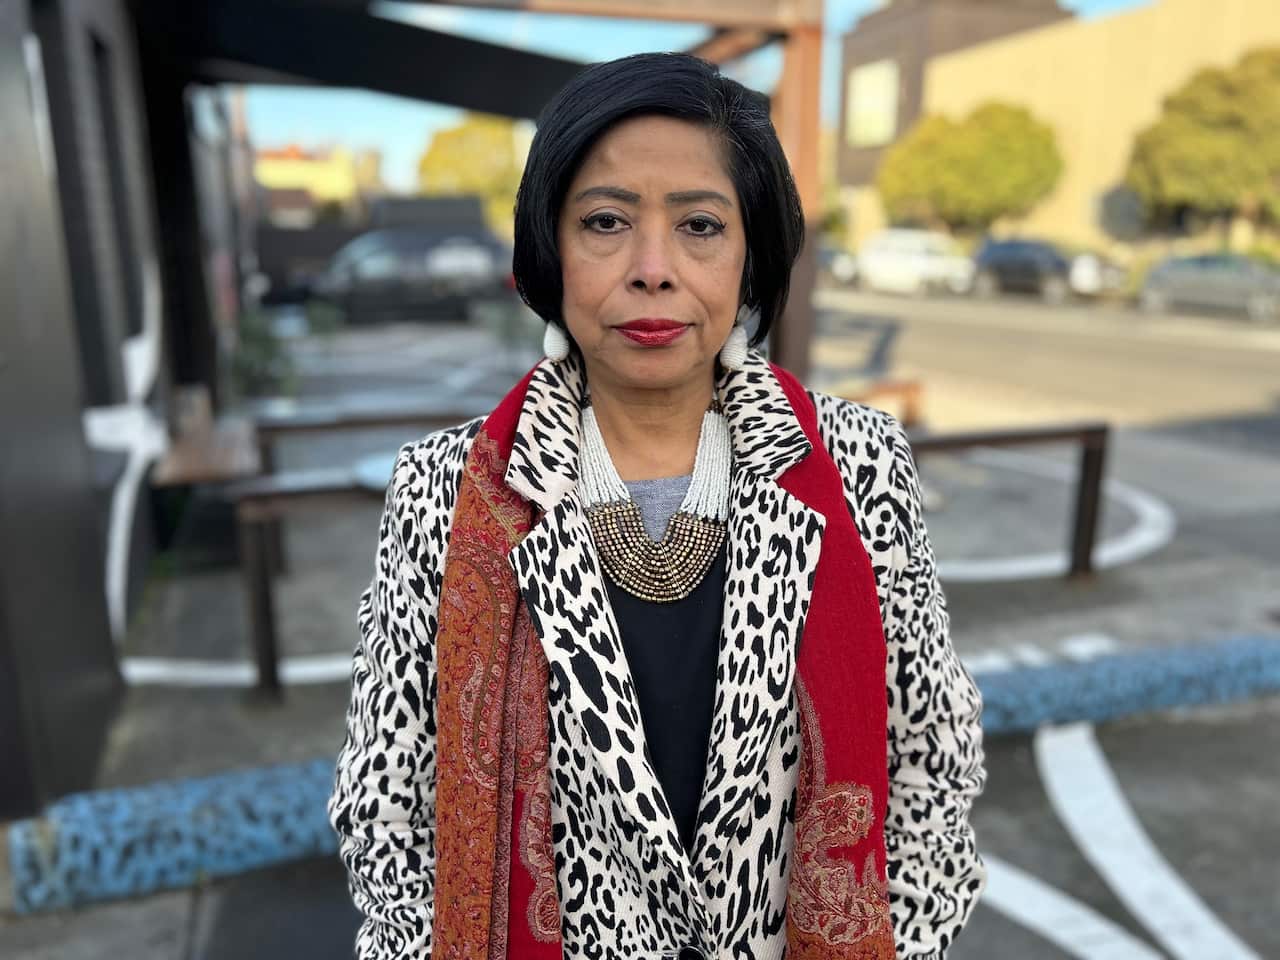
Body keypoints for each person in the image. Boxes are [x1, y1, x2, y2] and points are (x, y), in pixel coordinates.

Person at [328, 52, 985, 960]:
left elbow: (931, 762)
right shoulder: (449, 492)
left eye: (701, 226)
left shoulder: (857, 463)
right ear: (549, 252)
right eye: (605, 222)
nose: (652, 269)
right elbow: (386, 806)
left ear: (751, 252)